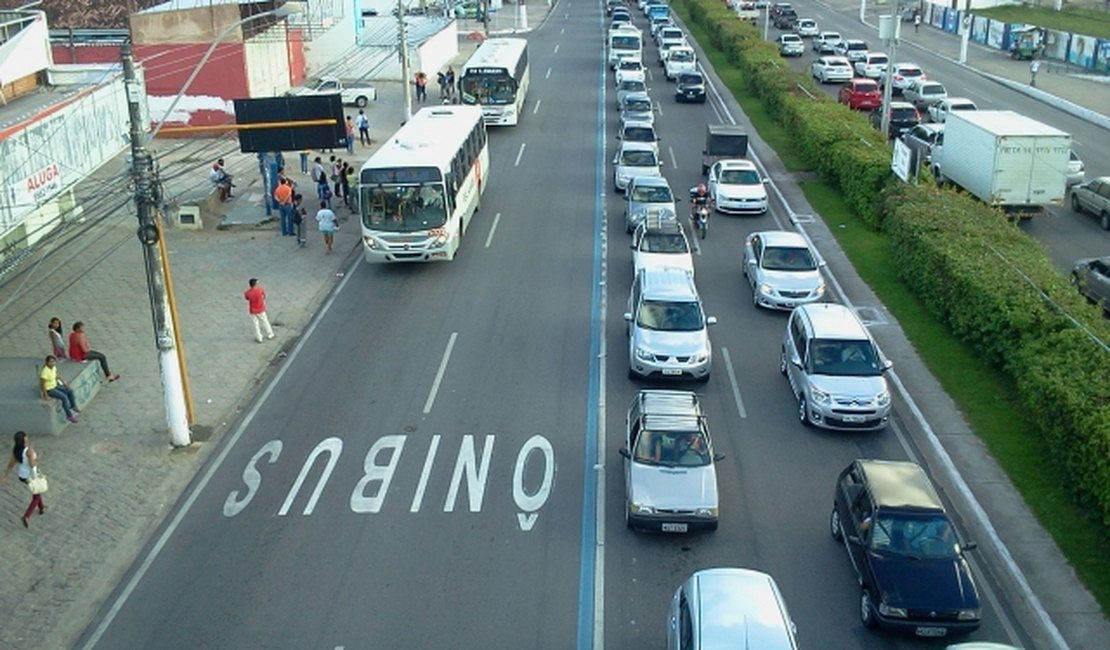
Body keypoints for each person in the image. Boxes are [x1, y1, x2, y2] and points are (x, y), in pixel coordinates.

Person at [3, 432, 46, 528]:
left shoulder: (16, 451)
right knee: (36, 495)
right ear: (24, 439)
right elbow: (32, 464)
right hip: (31, 475)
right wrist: (37, 460)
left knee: (37, 491)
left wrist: (5, 476)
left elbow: (11, 464)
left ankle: (42, 507)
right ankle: (26, 516)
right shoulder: (28, 450)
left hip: (22, 476)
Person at [39, 355, 79, 423]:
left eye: (54, 361)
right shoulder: (45, 372)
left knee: (70, 391)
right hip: (50, 389)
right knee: (64, 397)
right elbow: (42, 384)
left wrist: (64, 382)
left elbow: (57, 375)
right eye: (51, 362)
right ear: (47, 362)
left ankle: (73, 406)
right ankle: (69, 416)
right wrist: (45, 395)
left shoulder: (53, 367)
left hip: (55, 385)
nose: (52, 363)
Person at [244, 278, 275, 343]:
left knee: (255, 324)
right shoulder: (260, 290)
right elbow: (264, 296)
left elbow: (247, 298)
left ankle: (259, 337)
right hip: (261, 309)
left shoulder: (248, 293)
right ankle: (270, 334)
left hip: (253, 310)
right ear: (255, 284)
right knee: (265, 322)